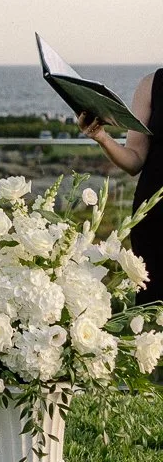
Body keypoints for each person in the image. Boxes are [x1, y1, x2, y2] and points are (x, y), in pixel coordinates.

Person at [79, 70, 163, 295]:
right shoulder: (151, 84)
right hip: (155, 221)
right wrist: (102, 137)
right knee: (151, 314)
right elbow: (134, 159)